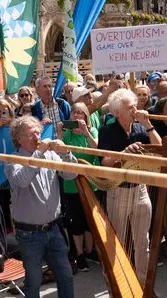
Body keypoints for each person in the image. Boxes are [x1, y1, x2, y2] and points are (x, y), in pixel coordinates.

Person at [5, 116, 77, 298]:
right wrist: (39, 154)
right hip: (29, 234)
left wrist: (66, 153)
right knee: (33, 282)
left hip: (53, 229)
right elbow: (22, 180)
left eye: (37, 132)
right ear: (18, 138)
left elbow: (71, 175)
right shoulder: (12, 160)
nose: (36, 136)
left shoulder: (50, 155)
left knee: (66, 276)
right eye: (30, 134)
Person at [99, 89, 162, 286]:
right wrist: (124, 152)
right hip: (118, 192)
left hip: (140, 190)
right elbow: (105, 163)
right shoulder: (106, 131)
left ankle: (142, 286)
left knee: (143, 242)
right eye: (130, 107)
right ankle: (117, 285)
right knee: (117, 242)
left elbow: (161, 149)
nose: (135, 109)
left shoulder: (141, 129)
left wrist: (149, 126)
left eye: (135, 105)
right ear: (117, 111)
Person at [56, 102, 99, 272]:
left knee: (90, 220)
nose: (76, 116)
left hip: (91, 183)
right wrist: (59, 134)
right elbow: (57, 151)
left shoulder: (92, 131)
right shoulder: (67, 133)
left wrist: (86, 133)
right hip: (71, 183)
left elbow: (97, 149)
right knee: (76, 221)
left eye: (80, 113)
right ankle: (80, 254)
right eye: (74, 113)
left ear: (86, 116)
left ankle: (90, 251)